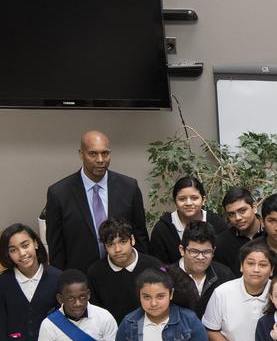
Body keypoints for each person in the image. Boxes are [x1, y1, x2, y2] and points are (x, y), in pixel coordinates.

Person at [44, 130, 149, 271]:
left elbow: (140, 235)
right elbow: (56, 247)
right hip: (81, 279)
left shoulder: (129, 187)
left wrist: (142, 272)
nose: (100, 159)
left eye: (105, 153)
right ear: (81, 154)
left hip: (124, 274)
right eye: (93, 153)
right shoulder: (59, 194)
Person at [87, 217, 165, 324]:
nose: (117, 249)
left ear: (132, 240)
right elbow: (96, 313)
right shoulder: (95, 272)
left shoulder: (154, 266)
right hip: (112, 332)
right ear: (104, 247)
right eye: (110, 244)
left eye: (122, 242)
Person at [148, 176, 228, 264]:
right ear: (175, 201)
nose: (188, 203)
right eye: (182, 199)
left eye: (194, 198)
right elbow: (158, 265)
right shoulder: (162, 229)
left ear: (203, 200)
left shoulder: (217, 223)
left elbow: (224, 259)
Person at [215, 187, 264, 272]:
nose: (237, 218)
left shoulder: (272, 234)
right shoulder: (222, 243)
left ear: (254, 208)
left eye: (242, 211)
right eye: (231, 214)